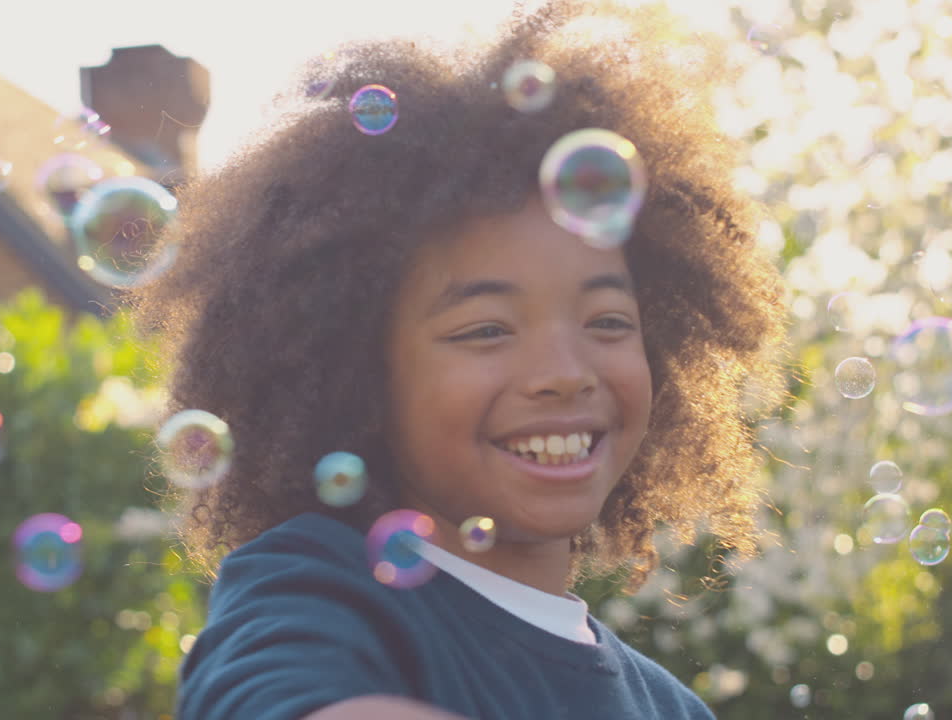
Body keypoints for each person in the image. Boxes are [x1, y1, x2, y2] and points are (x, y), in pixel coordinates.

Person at [130, 1, 787, 717]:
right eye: (486, 330)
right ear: (359, 376)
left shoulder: (672, 709)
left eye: (607, 320)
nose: (565, 371)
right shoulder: (319, 588)